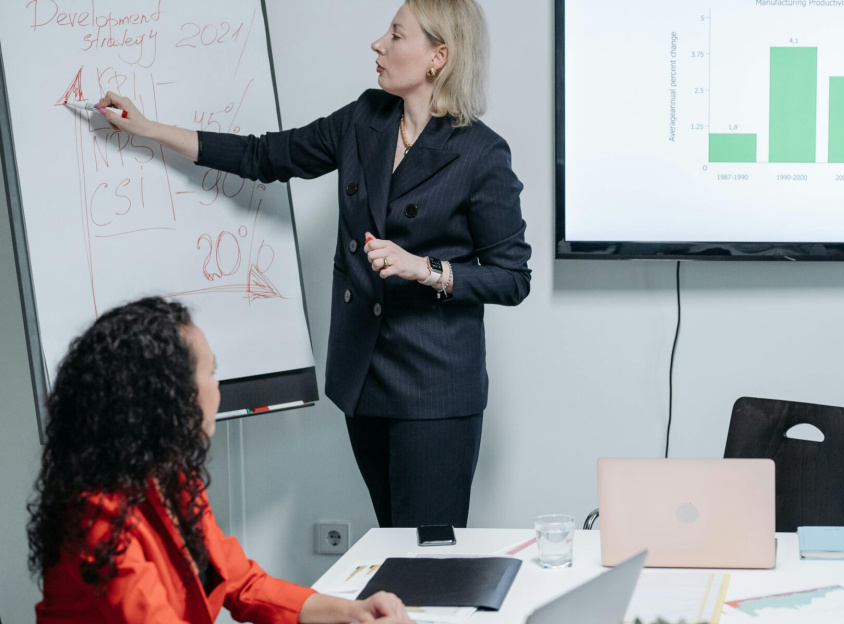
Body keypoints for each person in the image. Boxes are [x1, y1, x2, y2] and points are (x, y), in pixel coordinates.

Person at [96, 0, 531, 529]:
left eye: (396, 35)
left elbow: (512, 278)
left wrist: (425, 268)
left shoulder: (481, 154)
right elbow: (264, 157)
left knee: (429, 562)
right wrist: (149, 128)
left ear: (438, 56)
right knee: (394, 544)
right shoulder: (365, 119)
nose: (379, 44)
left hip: (435, 390)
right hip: (365, 380)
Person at [28, 297, 413, 623]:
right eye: (210, 372)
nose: (218, 387)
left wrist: (354, 612)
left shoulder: (173, 478)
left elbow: (242, 582)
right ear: (165, 396)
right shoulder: (95, 517)